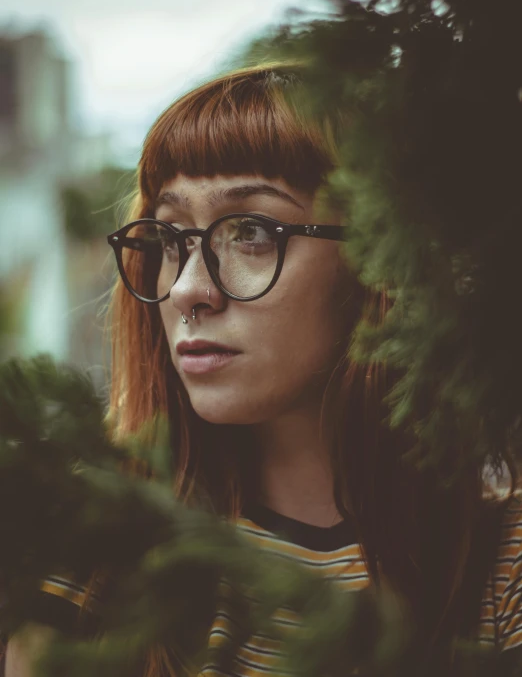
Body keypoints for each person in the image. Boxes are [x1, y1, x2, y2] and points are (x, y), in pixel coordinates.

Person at [6, 64, 522, 676]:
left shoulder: (500, 559)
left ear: (379, 261)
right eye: (171, 239)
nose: (187, 290)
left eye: (251, 231)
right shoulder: (91, 547)